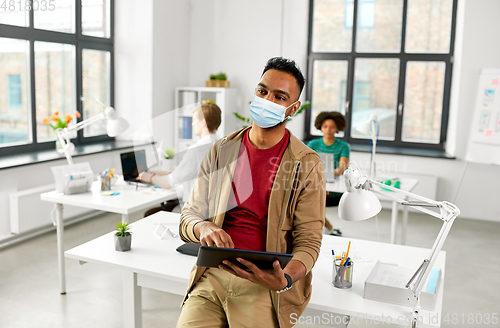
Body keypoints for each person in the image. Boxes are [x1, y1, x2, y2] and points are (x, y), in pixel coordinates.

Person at [176, 57, 325, 328]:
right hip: (211, 276)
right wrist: (202, 227)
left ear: (293, 109)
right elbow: (189, 216)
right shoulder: (222, 150)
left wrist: (286, 279)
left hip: (263, 285)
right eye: (262, 91)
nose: (267, 100)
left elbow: (309, 241)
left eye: (279, 97)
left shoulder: (306, 162)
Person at [138, 101, 222, 212]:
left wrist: (148, 177)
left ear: (203, 122)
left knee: (150, 213)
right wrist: (166, 173)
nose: (192, 124)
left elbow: (167, 183)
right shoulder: (223, 145)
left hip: (196, 212)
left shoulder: (197, 150)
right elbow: (195, 172)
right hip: (217, 208)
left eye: (194, 120)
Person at [307, 111, 350, 236]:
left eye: (332, 127)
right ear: (320, 126)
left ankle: (327, 229)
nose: (328, 130)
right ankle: (328, 228)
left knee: (314, 200)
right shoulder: (313, 144)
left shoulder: (343, 146)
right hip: (315, 180)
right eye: (325, 126)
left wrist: (330, 173)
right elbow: (308, 165)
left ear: (338, 128)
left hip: (334, 185)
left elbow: (342, 167)